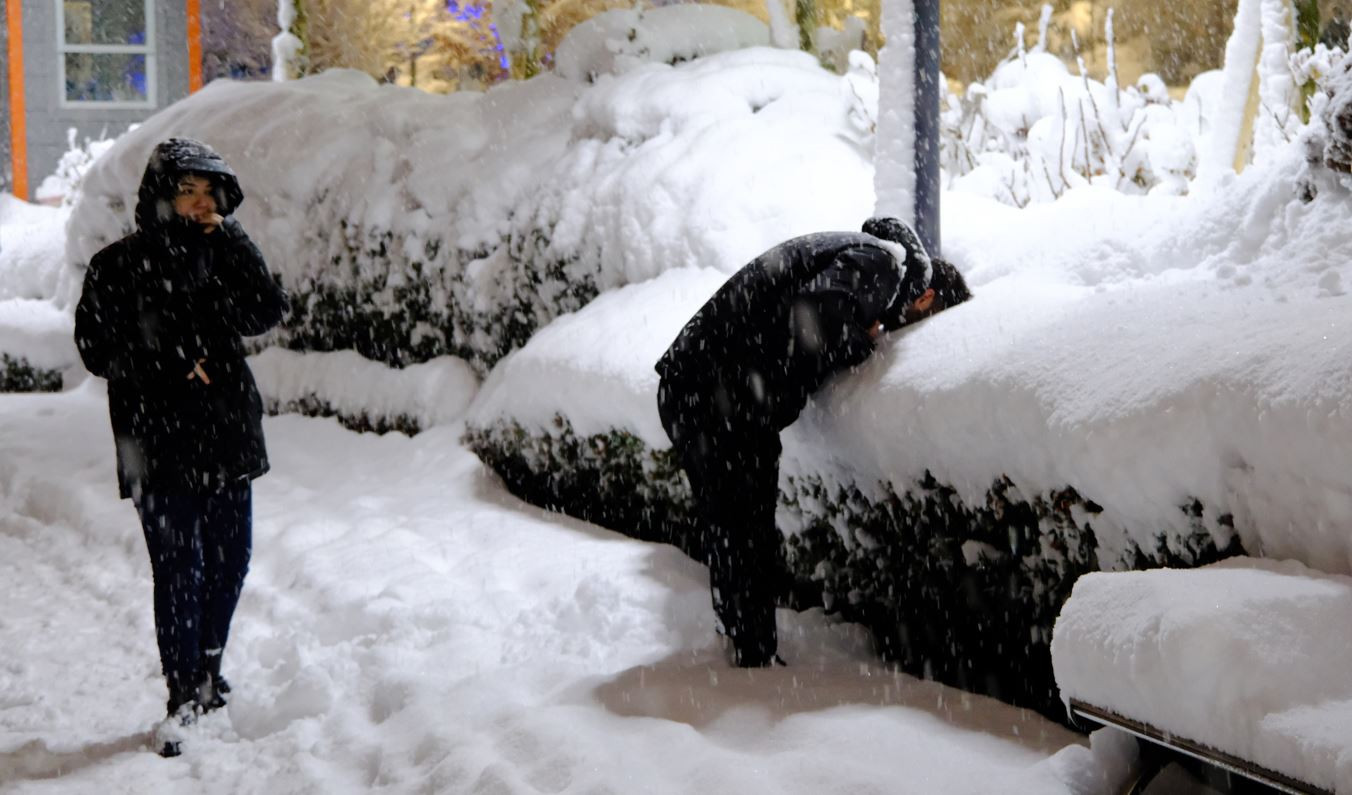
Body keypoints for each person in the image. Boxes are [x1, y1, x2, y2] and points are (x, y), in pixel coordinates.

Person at [654, 217, 971, 667]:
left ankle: (741, 644)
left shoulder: (863, 255)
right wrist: (862, 341)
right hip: (718, 394)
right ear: (925, 297)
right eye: (923, 320)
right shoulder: (882, 265)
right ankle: (752, 660)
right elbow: (815, 315)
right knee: (744, 527)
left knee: (732, 524)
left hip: (700, 386)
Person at [74, 138, 289, 756]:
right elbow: (97, 350)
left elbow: (264, 310)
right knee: (179, 569)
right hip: (156, 438)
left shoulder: (223, 252)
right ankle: (182, 694)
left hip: (226, 432)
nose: (198, 203)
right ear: (160, 195)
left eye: (207, 192)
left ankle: (209, 669)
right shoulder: (116, 265)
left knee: (230, 561)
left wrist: (235, 240)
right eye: (185, 190)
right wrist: (170, 360)